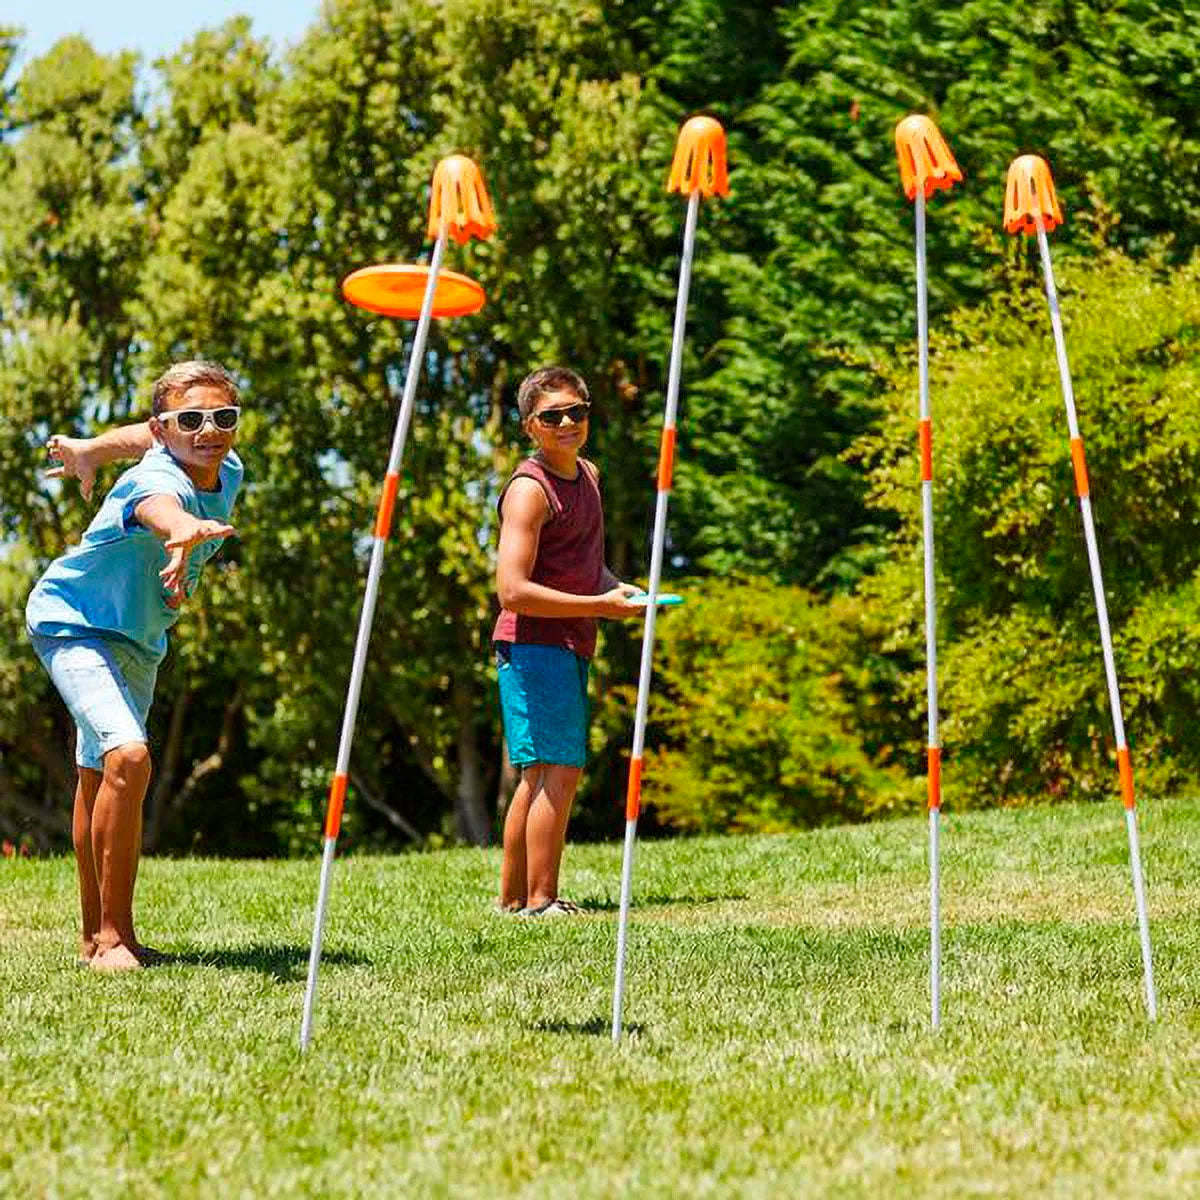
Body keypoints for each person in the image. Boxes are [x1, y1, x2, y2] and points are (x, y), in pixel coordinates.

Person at [26, 360, 244, 970]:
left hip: (139, 639)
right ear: (166, 428)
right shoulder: (155, 483)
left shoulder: (227, 468)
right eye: (191, 420)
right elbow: (159, 504)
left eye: (223, 417)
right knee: (129, 755)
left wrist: (90, 449)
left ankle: (96, 937)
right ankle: (114, 939)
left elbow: (140, 434)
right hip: (74, 625)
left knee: (98, 774)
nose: (209, 430)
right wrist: (183, 531)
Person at [493, 366, 641, 917]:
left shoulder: (589, 475)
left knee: (541, 772)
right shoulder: (529, 491)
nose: (566, 423)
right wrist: (597, 608)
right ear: (530, 426)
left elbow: (584, 567)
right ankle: (540, 900)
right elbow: (512, 590)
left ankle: (514, 901)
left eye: (575, 412)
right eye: (551, 416)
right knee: (559, 767)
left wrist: (616, 591)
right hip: (532, 644)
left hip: (569, 641)